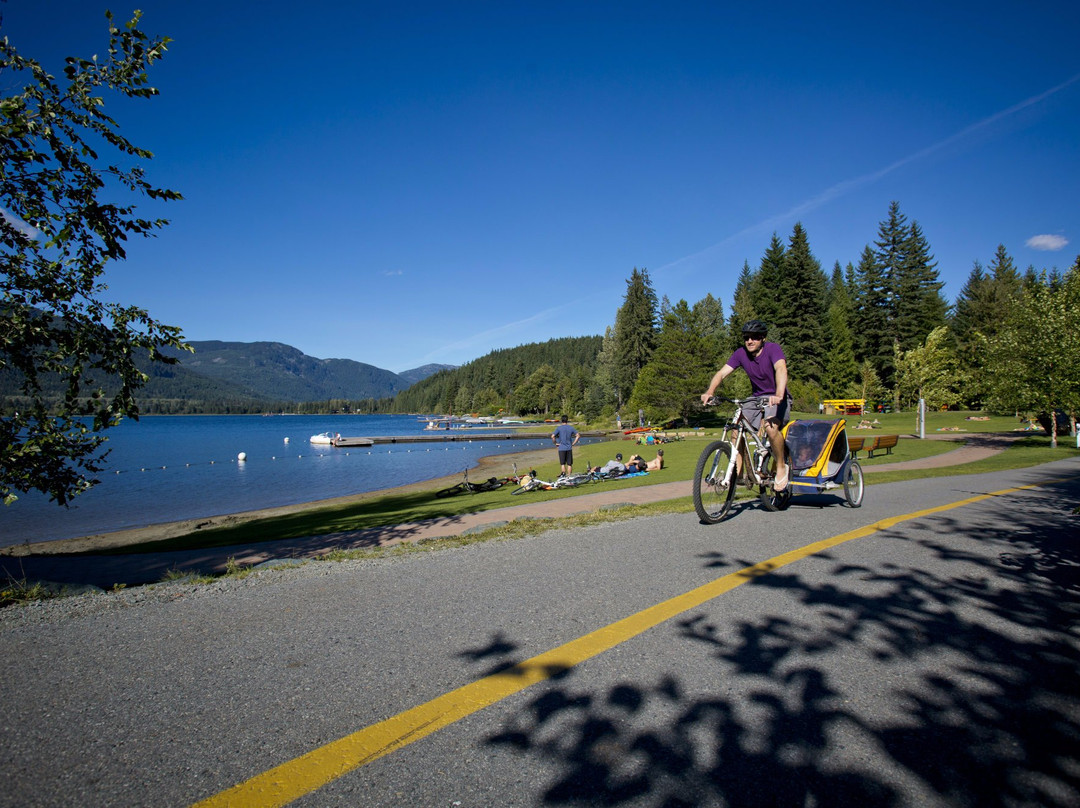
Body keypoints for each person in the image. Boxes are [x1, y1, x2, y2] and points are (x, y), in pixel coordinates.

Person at [701, 319, 792, 491]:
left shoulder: (773, 349)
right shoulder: (740, 354)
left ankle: (781, 467)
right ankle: (738, 472)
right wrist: (710, 391)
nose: (750, 341)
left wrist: (779, 393)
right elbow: (722, 373)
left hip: (777, 397)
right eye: (746, 337)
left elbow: (781, 369)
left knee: (771, 428)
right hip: (756, 398)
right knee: (736, 428)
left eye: (755, 337)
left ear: (763, 338)